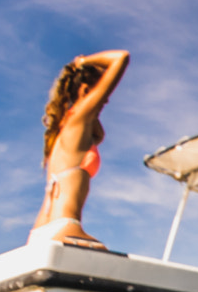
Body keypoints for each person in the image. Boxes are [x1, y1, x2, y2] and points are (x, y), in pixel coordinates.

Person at [30, 50, 130, 250]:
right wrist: (82, 61)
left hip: (39, 232)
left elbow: (99, 135)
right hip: (65, 228)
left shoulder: (64, 130)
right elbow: (121, 57)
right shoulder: (79, 118)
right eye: (99, 92)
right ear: (85, 90)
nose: (105, 100)